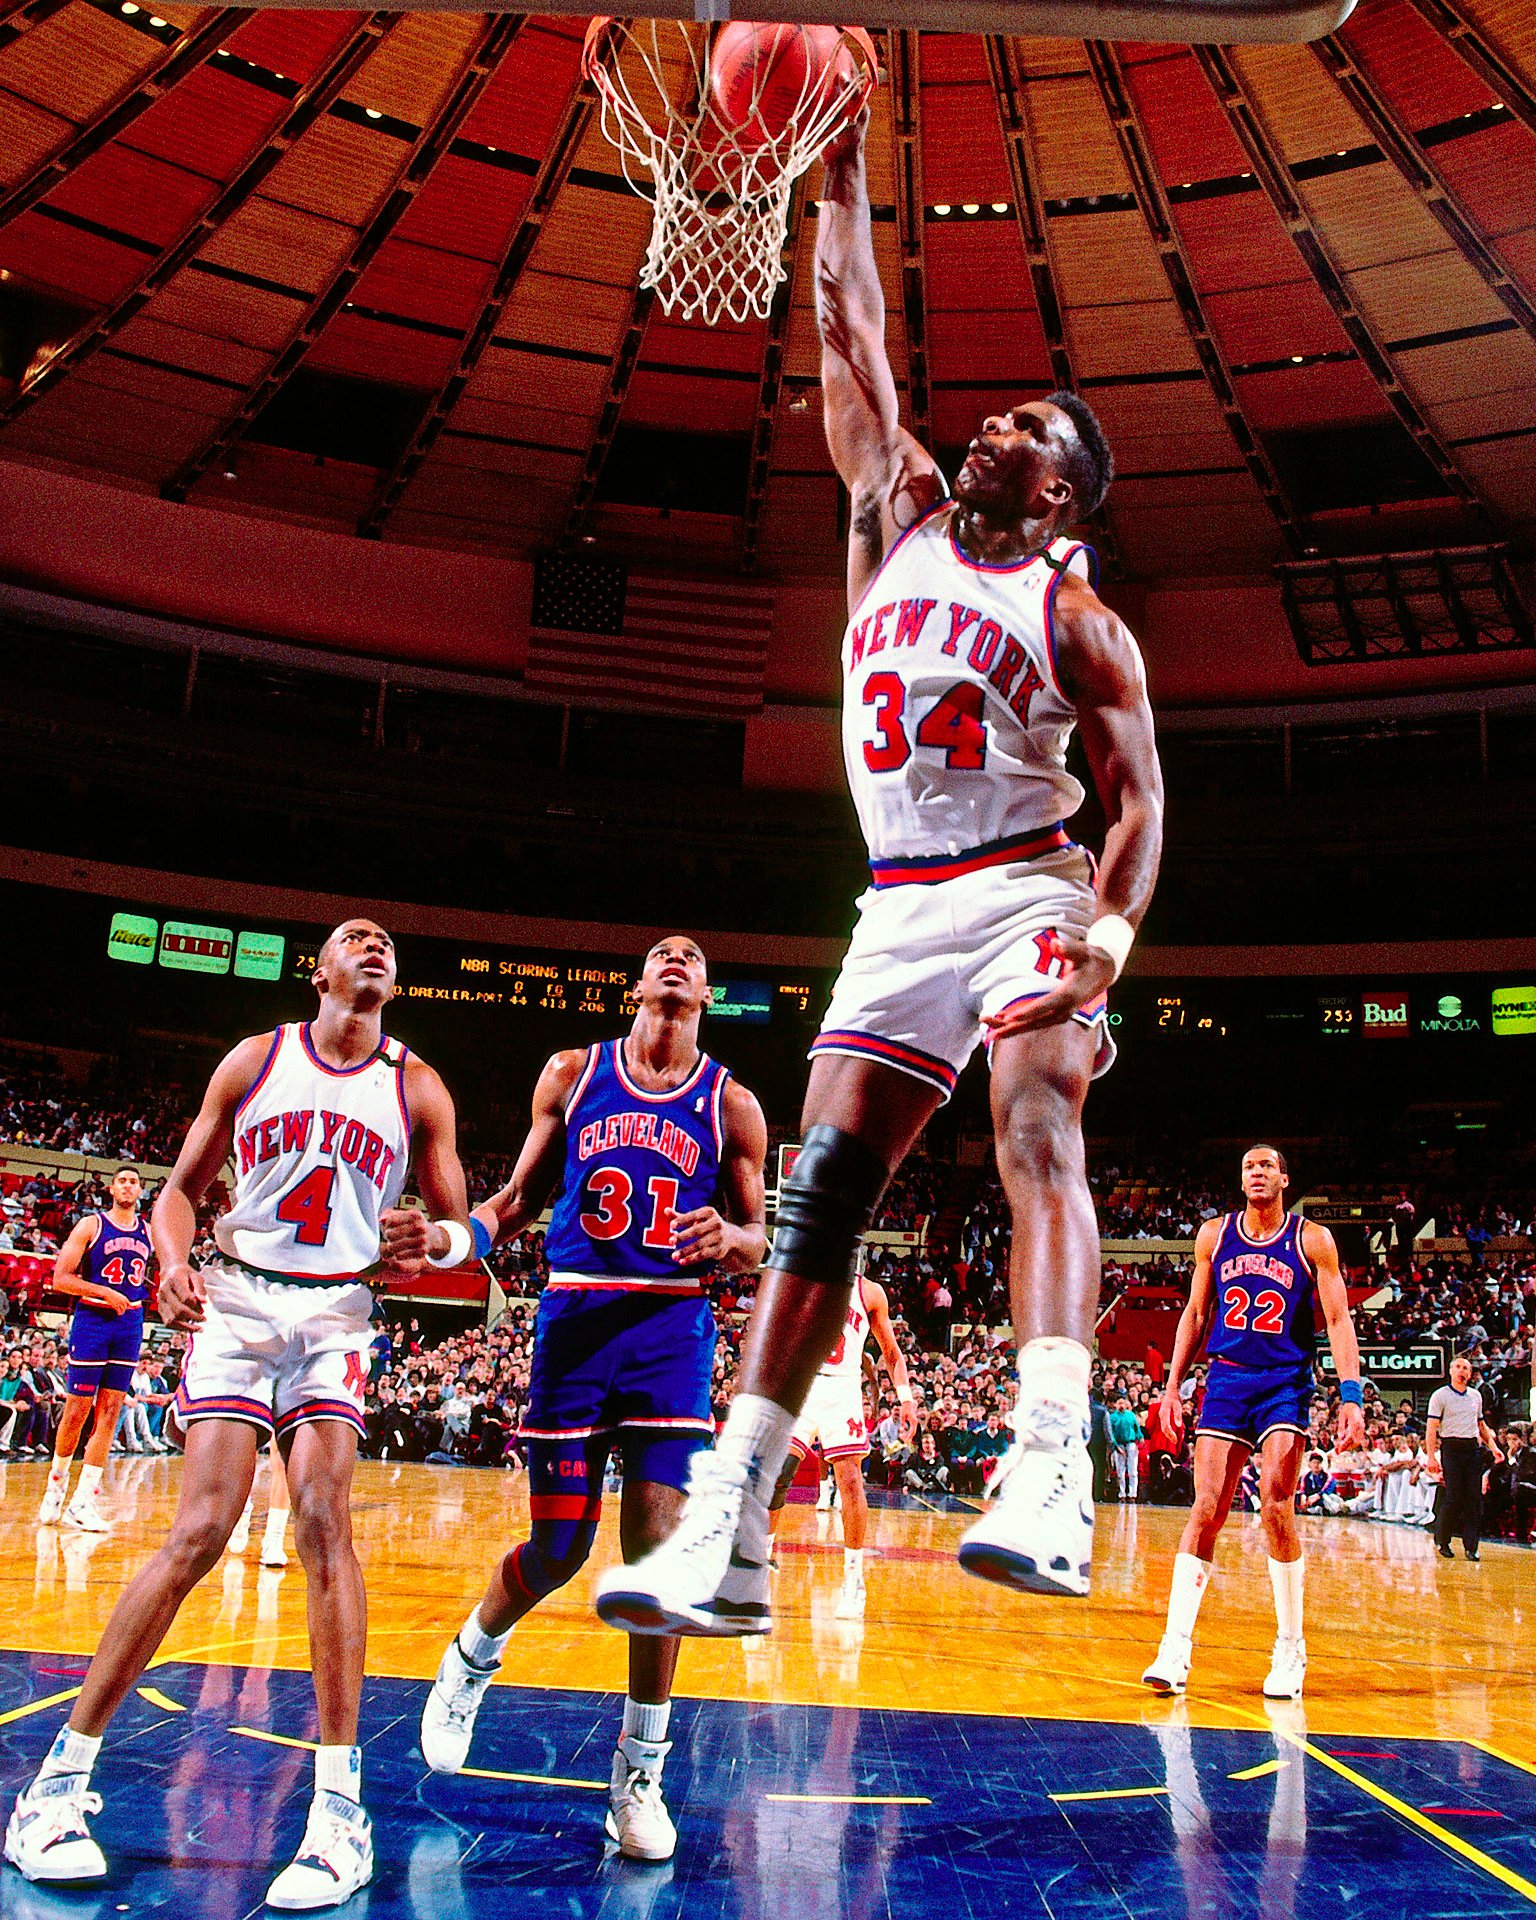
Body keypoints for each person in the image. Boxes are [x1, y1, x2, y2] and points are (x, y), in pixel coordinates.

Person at [592, 106, 1162, 1643]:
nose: (994, 433)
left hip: (1031, 884)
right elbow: (851, 329)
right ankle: (735, 1531)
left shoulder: (1077, 619)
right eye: (998, 420)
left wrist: (1108, 931)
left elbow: (1141, 798)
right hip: (899, 901)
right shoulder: (891, 505)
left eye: (1030, 437)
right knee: (820, 1198)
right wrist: (839, 170)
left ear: (1062, 498)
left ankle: (1052, 1471)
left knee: (1036, 1120)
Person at [5, 919, 470, 1909]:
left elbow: (456, 1221)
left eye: (386, 939)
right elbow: (177, 1193)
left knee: (321, 1522)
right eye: (354, 937)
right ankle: (54, 1784)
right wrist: (171, 1263)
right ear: (323, 969)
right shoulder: (256, 1059)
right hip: (240, 1297)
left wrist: (430, 1235)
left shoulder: (416, 1083)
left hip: (339, 1308)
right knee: (201, 1531)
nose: (374, 945)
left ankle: (340, 1809)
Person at [419, 936, 766, 1863]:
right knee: (560, 1547)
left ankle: (639, 1770)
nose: (678, 959)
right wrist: (456, 1245)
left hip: (670, 1334)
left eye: (693, 956)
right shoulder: (574, 1072)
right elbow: (520, 1194)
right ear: (640, 982)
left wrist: (731, 1235)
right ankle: (471, 1657)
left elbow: (760, 1239)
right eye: (663, 952)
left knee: (659, 1556)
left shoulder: (731, 1101)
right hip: (573, 1323)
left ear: (707, 993)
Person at [1142, 1146, 1364, 1701]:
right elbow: (1195, 1314)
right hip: (1227, 1378)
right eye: (1249, 1167)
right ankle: (1175, 1646)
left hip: (1284, 1381)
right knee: (1207, 1506)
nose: (1257, 1172)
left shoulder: (1312, 1239)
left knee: (1274, 1504)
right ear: (1241, 1181)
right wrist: (1171, 1386)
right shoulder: (1214, 1235)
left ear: (1284, 1178)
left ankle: (1291, 1648)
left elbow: (1336, 1317)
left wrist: (1352, 1395)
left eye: (1267, 1166)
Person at [766, 1256, 917, 1619]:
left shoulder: (870, 1292)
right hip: (803, 1381)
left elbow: (891, 1353)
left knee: (850, 1479)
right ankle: (760, 1558)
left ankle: (853, 1576)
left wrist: (907, 1400)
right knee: (778, 1474)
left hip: (843, 1390)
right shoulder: (802, 1275)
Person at [37, 1166, 151, 1531]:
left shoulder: (148, 1231)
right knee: (77, 1409)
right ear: (111, 1188)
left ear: (141, 1190)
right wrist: (104, 1292)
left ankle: (83, 1501)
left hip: (130, 1323)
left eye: (134, 1181)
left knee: (112, 1408)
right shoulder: (92, 1225)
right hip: (93, 1320)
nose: (128, 1186)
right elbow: (61, 1278)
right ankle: (56, 1486)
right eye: (122, 1180)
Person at [1426, 1354, 1504, 1561]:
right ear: (1451, 1371)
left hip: (1471, 1448)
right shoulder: (1440, 1396)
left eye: (1466, 1368)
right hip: (1450, 1447)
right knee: (1453, 1496)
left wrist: (1494, 1446)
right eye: (1458, 1367)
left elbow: (1481, 1426)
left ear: (1470, 1374)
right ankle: (1442, 1539)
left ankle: (1471, 1546)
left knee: (1474, 1498)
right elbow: (1432, 1428)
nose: (1462, 1371)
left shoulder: (1475, 1396)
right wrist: (1431, 1457)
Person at [1109, 1395, 1143, 1502]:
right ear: (1115, 1405)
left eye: (1123, 1403)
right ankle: (1122, 1493)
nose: (1121, 1405)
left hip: (1131, 1443)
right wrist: (1115, 1445)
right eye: (1119, 1403)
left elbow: (1137, 1428)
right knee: (1120, 1470)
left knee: (1132, 1469)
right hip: (1119, 1444)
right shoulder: (1112, 1417)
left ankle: (1133, 1493)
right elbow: (1111, 1433)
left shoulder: (1131, 1415)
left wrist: (1140, 1437)